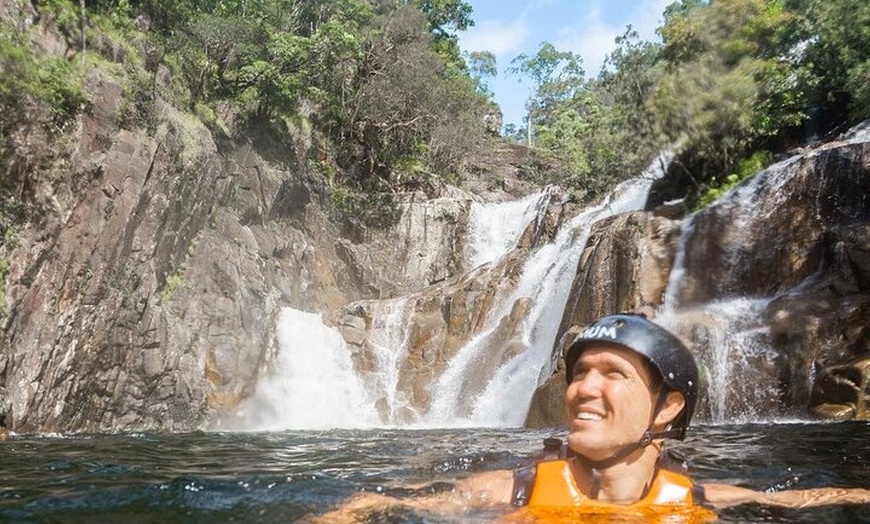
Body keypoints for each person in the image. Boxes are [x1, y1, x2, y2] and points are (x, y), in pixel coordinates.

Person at [304, 313, 870, 523]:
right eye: (579, 373)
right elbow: (377, 503)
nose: (582, 390)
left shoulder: (699, 499)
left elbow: (806, 501)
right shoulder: (509, 491)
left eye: (612, 375)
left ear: (669, 405)